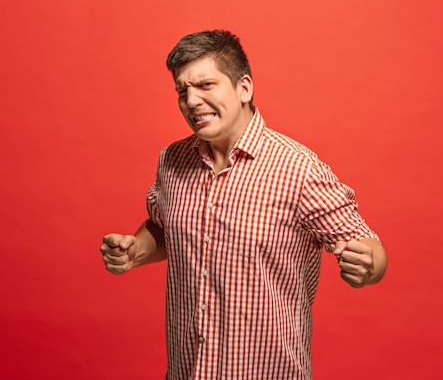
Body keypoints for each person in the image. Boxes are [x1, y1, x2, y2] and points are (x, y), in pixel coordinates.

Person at [101, 30, 388, 380]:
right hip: (185, 371)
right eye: (182, 90)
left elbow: (368, 247)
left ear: (244, 89)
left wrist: (368, 265)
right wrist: (135, 251)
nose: (191, 101)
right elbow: (163, 226)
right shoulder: (171, 160)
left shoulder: (298, 169)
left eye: (205, 85)